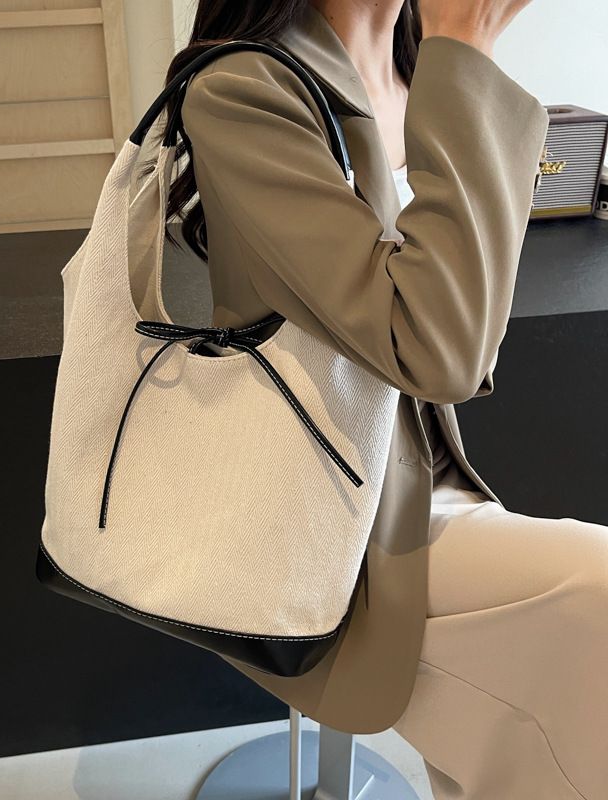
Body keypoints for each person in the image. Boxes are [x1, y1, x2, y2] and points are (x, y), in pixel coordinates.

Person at [159, 0, 608, 796]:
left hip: (416, 472)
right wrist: (464, 47)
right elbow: (441, 349)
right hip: (317, 502)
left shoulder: (415, 68)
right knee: (592, 607)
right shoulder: (244, 88)